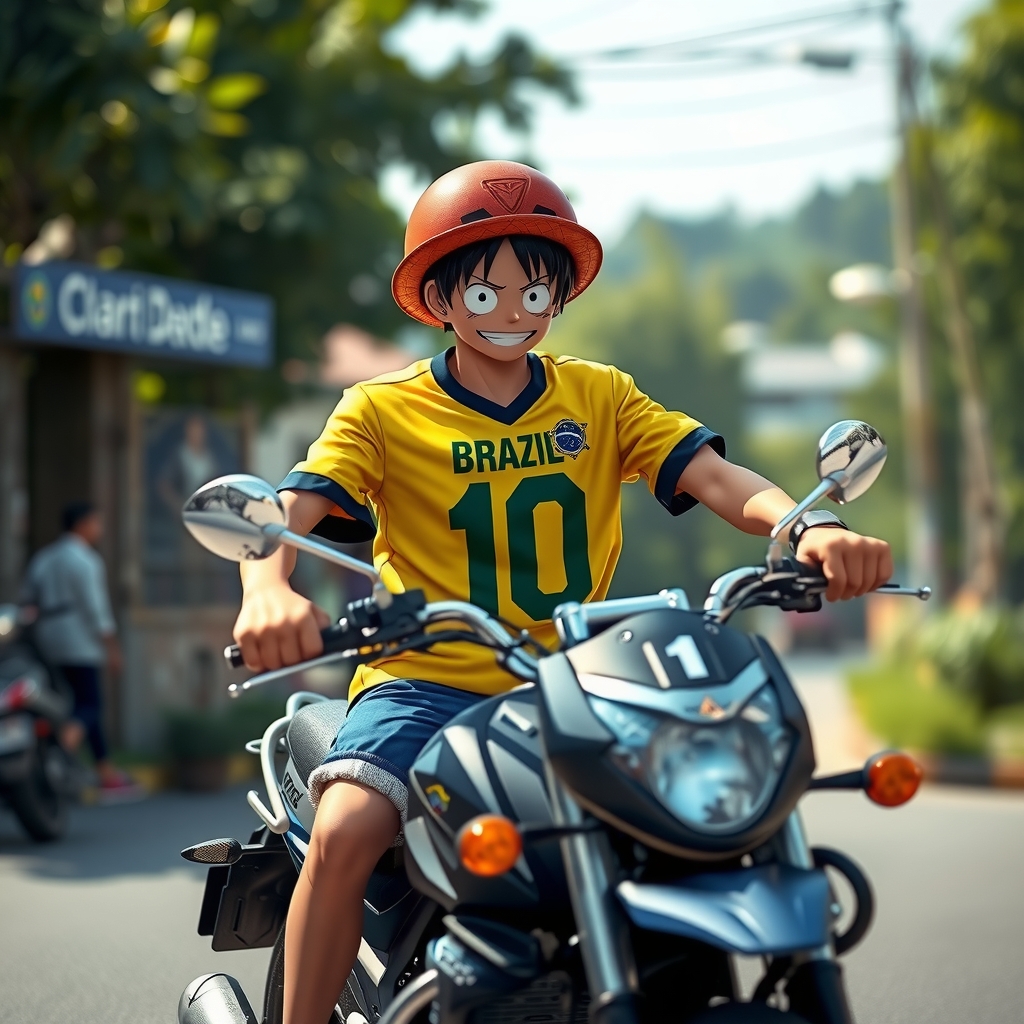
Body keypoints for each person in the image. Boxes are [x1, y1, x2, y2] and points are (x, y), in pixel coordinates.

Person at [231, 161, 894, 1024]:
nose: (512, 310)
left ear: (558, 297)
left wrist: (809, 528)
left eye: (534, 291)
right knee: (349, 825)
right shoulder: (380, 409)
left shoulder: (601, 396)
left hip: (578, 684)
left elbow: (719, 478)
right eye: (485, 292)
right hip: (426, 682)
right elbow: (289, 510)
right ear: (438, 297)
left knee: (699, 821)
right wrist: (263, 588)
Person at [21, 501, 139, 798]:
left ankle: (104, 770)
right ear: (83, 524)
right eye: (96, 523)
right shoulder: (85, 560)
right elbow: (96, 609)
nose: (98, 529)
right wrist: (112, 647)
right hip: (79, 639)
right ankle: (62, 751)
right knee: (89, 705)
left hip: (48, 637)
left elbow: (27, 600)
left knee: (70, 701)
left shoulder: (44, 558)